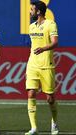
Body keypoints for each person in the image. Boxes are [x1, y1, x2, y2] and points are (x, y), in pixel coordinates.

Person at [25, 1, 59, 135]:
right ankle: (34, 128)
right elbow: (32, 49)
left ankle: (54, 122)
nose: (30, 12)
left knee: (50, 98)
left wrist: (44, 48)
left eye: (32, 9)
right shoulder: (31, 27)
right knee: (31, 93)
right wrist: (28, 66)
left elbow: (55, 42)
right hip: (32, 65)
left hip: (46, 66)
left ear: (38, 11)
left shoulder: (51, 24)